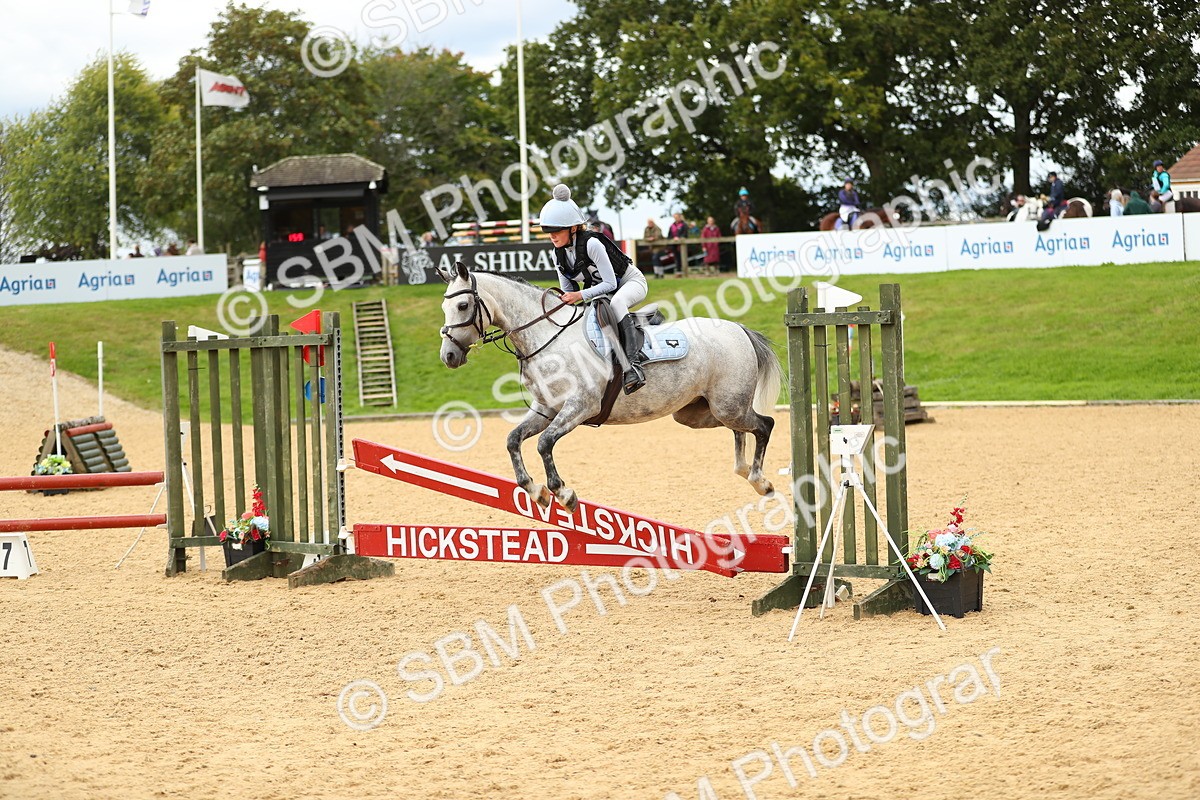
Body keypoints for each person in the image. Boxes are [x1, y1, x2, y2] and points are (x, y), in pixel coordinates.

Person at [541, 184, 649, 394]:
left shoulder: (592, 244)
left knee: (617, 303)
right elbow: (568, 292)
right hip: (602, 290)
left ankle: (633, 366)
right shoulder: (557, 254)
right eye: (548, 232)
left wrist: (579, 295)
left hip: (629, 282)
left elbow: (611, 284)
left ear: (573, 228)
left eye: (556, 231)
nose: (552, 236)